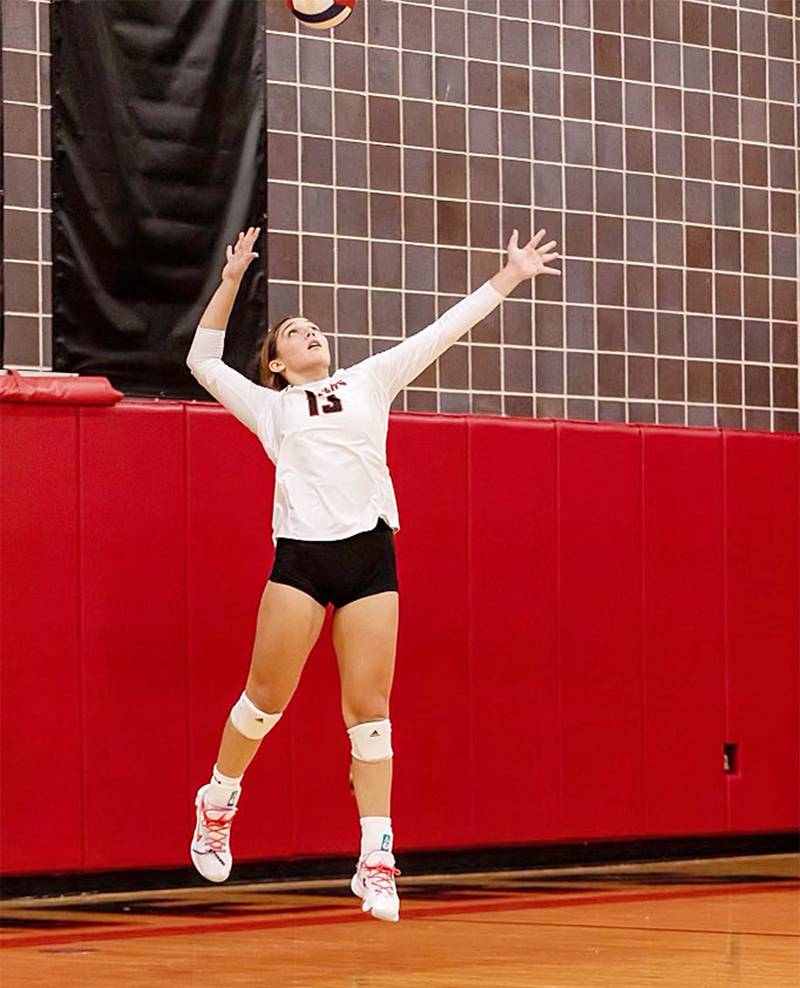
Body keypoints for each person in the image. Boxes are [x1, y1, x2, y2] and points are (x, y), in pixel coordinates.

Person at [185, 225, 561, 922]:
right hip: (300, 558)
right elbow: (202, 358)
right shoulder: (271, 407)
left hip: (368, 555)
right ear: (276, 364)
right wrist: (233, 276)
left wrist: (508, 277)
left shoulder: (368, 380)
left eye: (312, 328)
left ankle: (377, 857)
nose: (308, 333)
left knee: (371, 717)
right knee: (264, 702)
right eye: (293, 333)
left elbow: (442, 331)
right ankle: (217, 798)